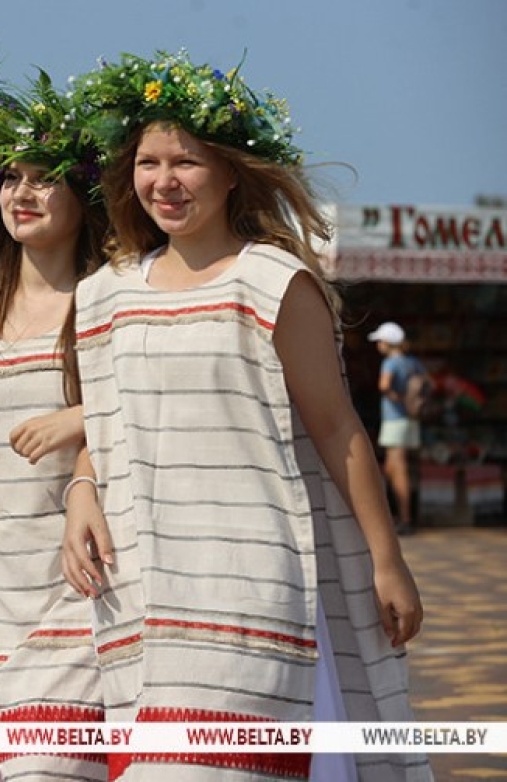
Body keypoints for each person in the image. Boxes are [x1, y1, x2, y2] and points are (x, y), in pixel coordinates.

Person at [64, 52, 430, 780]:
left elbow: (337, 428)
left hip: (252, 576)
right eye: (147, 162)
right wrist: (80, 491)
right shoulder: (104, 293)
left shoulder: (272, 280)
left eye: (186, 162)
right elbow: (107, 421)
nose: (163, 182)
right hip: (143, 580)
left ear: (232, 171)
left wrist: (388, 561)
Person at [0, 75, 109, 782]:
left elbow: (149, 403)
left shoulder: (109, 296)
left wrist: (82, 416)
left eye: (43, 179)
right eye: (10, 178)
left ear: (85, 195)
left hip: (85, 567)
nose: (21, 194)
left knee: (52, 766)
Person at [369, 321, 423, 535]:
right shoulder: (412, 362)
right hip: (410, 419)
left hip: (395, 420)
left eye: (380, 340)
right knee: (392, 469)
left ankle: (405, 518)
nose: (378, 345)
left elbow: (383, 386)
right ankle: (397, 515)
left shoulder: (390, 364)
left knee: (398, 469)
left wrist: (395, 397)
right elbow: (427, 382)